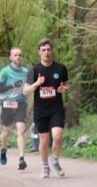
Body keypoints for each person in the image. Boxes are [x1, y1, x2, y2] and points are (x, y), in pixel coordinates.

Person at [23, 38, 69, 179]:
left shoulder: (61, 68)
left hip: (56, 108)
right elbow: (25, 91)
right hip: (41, 110)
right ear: (39, 52)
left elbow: (66, 84)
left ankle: (54, 161)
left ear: (52, 51)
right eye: (43, 50)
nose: (46, 52)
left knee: (57, 136)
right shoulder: (34, 70)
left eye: (49, 49)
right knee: (44, 140)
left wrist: (64, 88)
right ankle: (45, 166)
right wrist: (37, 83)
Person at [0, 47, 29, 170]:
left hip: (20, 103)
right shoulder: (5, 71)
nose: (18, 57)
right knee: (6, 132)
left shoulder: (26, 72)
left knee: (21, 130)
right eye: (15, 55)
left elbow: (30, 86)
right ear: (10, 57)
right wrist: (13, 85)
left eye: (20, 55)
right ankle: (3, 149)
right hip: (7, 103)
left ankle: (21, 159)